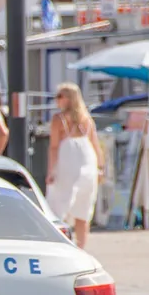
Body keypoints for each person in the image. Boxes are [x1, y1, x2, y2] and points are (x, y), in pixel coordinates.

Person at [46, 82, 104, 249]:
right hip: (88, 163)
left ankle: (59, 245)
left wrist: (51, 171)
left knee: (58, 206)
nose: (56, 100)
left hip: (68, 164)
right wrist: (101, 168)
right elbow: (95, 145)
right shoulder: (87, 119)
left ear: (69, 99)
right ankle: (81, 247)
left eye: (60, 96)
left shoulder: (58, 119)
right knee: (83, 209)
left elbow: (54, 147)